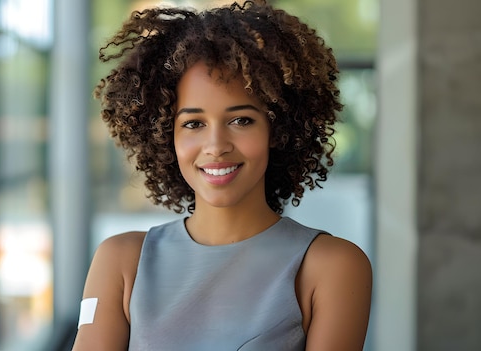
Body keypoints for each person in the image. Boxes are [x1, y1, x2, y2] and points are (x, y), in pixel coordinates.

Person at [72, 1, 372, 350]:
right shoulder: (120, 262)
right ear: (166, 136)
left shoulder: (332, 267)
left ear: (277, 129)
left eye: (241, 120)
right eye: (193, 124)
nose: (215, 146)